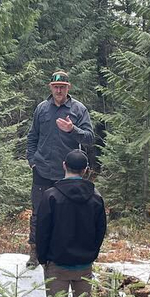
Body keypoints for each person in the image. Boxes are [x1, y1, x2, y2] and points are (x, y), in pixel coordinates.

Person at [25, 71, 94, 268]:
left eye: (62, 87)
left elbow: (89, 138)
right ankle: (35, 253)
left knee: (68, 213)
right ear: (50, 87)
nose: (59, 90)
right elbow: (32, 137)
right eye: (56, 87)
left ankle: (63, 252)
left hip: (69, 173)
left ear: (68, 88)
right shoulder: (42, 109)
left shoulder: (78, 110)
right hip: (42, 170)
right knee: (38, 213)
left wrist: (73, 130)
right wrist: (32, 160)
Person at [36, 150, 107, 297]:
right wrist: (92, 254)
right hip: (84, 264)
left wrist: (43, 258)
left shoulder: (51, 195)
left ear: (64, 165)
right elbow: (101, 231)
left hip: (56, 263)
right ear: (85, 170)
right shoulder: (96, 197)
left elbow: (42, 231)